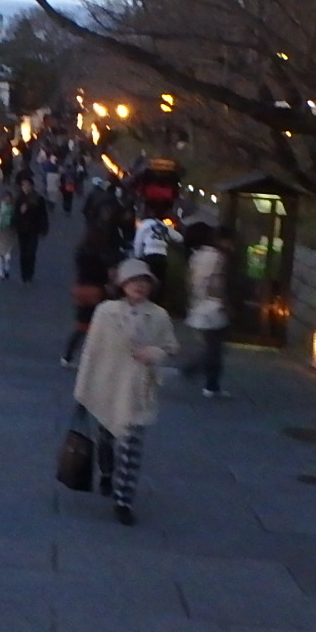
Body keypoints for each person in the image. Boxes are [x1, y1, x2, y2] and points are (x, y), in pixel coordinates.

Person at [72, 258, 178, 525]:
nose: (139, 287)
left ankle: (123, 500)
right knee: (106, 438)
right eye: (134, 282)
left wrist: (153, 353)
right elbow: (91, 352)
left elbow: (170, 347)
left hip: (138, 391)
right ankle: (107, 473)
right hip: (108, 385)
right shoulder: (106, 312)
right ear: (123, 285)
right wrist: (83, 389)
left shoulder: (159, 316)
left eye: (144, 283)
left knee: (131, 448)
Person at [62, 206, 123, 367]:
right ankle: (95, 358)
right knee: (100, 326)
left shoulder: (81, 251)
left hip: (81, 289)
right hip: (97, 290)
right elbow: (108, 273)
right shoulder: (102, 253)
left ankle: (67, 356)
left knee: (81, 326)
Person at [179, 222, 231, 398]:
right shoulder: (217, 257)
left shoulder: (197, 255)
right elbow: (216, 282)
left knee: (212, 347)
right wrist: (222, 300)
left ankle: (198, 373)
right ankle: (209, 383)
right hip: (212, 306)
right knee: (214, 348)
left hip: (199, 304)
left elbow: (190, 281)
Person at [12, 173, 52, 283]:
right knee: (23, 252)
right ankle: (24, 274)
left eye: (27, 185)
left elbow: (43, 215)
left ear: (31, 186)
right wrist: (19, 214)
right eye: (23, 185)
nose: (25, 187)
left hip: (33, 229)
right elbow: (14, 214)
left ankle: (30, 273)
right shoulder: (19, 198)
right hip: (22, 229)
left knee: (31, 252)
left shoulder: (38, 199)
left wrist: (44, 228)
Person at [0, 188, 18, 280]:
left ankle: (6, 268)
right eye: (6, 198)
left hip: (9, 232)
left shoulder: (13, 208)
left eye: (9, 198)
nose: (7, 200)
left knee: (8, 254)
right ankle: (0, 272)